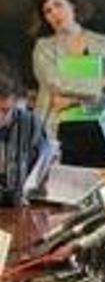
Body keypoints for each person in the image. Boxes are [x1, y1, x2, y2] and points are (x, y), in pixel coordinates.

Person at [31, 0, 105, 168]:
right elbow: (56, 82)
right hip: (58, 131)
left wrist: (73, 101)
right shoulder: (43, 47)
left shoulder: (103, 42)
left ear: (72, 5)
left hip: (101, 132)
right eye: (47, 11)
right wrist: (100, 84)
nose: (54, 13)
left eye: (58, 5)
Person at [0, 58, 48, 207]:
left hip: (20, 210)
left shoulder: (31, 123)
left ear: (15, 102)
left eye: (5, 110)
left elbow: (43, 176)